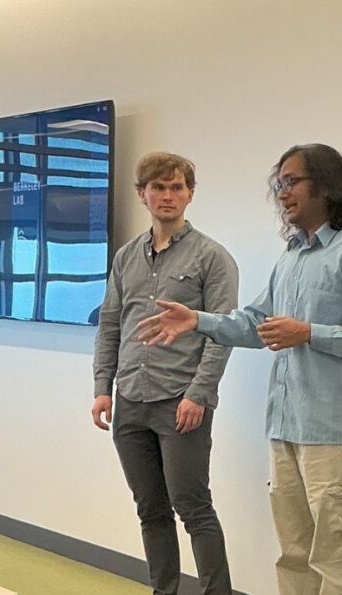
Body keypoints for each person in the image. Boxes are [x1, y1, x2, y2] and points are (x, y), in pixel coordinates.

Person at [136, 143, 342, 595]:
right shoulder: (293, 256)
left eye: (291, 182)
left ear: (325, 185)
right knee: (294, 556)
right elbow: (256, 323)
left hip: (333, 434)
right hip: (285, 428)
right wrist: (198, 320)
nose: (282, 193)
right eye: (279, 184)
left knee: (338, 561)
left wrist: (309, 333)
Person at [91, 152, 238, 594]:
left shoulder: (213, 257)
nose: (168, 195)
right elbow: (111, 324)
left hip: (181, 402)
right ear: (142, 194)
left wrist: (199, 394)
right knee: (150, 510)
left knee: (193, 507)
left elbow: (224, 332)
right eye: (158, 187)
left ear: (190, 194)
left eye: (177, 187)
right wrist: (103, 389)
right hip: (131, 401)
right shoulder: (125, 258)